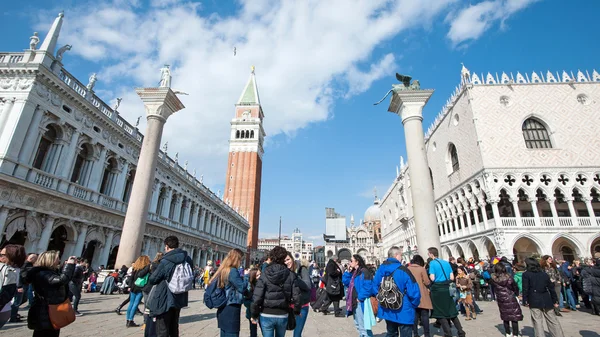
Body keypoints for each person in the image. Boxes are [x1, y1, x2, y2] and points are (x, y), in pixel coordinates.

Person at [148, 236, 193, 337]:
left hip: (164, 297)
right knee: (174, 326)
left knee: (162, 328)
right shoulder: (187, 259)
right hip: (179, 297)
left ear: (167, 246)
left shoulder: (166, 260)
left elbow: (153, 279)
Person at [251, 246, 301, 337]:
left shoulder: (265, 273)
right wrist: (297, 311)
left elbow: (257, 296)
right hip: (282, 313)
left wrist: (254, 314)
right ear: (283, 258)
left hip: (266, 313)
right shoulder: (290, 275)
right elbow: (297, 296)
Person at [25, 251, 76, 337]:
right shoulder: (42, 273)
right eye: (57, 258)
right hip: (45, 310)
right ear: (50, 260)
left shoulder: (48, 272)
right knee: (46, 333)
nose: (59, 260)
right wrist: (70, 265)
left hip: (50, 308)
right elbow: (61, 280)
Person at [373, 247, 420, 337]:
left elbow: (375, 286)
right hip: (403, 309)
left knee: (391, 333)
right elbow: (414, 292)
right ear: (396, 255)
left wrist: (384, 298)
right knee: (405, 334)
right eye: (400, 255)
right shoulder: (403, 270)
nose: (401, 257)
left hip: (387, 308)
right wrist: (413, 305)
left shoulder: (380, 269)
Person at [427, 247, 465, 337]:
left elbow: (432, 278)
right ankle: (461, 332)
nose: (428, 255)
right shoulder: (446, 263)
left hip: (438, 290)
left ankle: (448, 333)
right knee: (451, 310)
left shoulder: (432, 263)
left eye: (428, 253)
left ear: (431, 254)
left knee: (441, 313)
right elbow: (452, 277)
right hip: (447, 288)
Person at [522, 257, 564, 337]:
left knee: (537, 321)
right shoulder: (544, 274)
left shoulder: (526, 274)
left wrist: (525, 300)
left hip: (534, 298)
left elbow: (525, 288)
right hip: (546, 298)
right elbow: (551, 288)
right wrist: (555, 300)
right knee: (552, 320)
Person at [209, 248, 245, 337]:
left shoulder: (223, 269)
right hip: (231, 306)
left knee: (224, 332)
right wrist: (247, 277)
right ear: (237, 259)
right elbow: (242, 287)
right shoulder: (232, 271)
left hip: (223, 306)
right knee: (231, 333)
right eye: (241, 259)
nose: (241, 262)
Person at [342, 254, 374, 337]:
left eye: (351, 261)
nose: (350, 262)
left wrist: (360, 298)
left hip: (360, 302)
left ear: (357, 262)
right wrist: (348, 272)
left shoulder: (364, 272)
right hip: (354, 301)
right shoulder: (354, 272)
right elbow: (346, 282)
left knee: (363, 326)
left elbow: (368, 286)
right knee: (358, 325)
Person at [490, 263, 523, 337]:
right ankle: (515, 334)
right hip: (510, 297)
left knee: (505, 316)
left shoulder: (493, 279)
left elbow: (493, 288)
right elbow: (514, 286)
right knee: (514, 316)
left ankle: (508, 333)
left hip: (501, 298)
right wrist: (517, 294)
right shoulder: (508, 277)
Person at [0, 244, 26, 328]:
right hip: (6, 309)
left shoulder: (6, 270)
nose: (0, 256)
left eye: (2, 255)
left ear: (11, 256)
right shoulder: (17, 269)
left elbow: (4, 293)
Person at [285, 255, 311, 337]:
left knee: (297, 334)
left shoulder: (302, 269)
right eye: (284, 261)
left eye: (288, 259)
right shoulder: (283, 271)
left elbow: (308, 286)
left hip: (301, 306)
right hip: (287, 307)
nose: (287, 262)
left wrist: (294, 277)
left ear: (292, 259)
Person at [407, 255, 432, 337]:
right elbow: (427, 282)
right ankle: (427, 334)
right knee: (424, 315)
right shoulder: (422, 269)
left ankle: (415, 333)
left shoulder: (408, 269)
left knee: (414, 315)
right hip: (422, 295)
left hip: (411, 295)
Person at [125, 255, 151, 327]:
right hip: (140, 287)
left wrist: (129, 286)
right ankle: (131, 320)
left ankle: (128, 320)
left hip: (133, 287)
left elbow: (131, 278)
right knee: (135, 304)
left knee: (131, 304)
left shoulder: (135, 268)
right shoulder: (146, 268)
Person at [243, 268, 260, 337]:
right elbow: (245, 301)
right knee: (253, 330)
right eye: (257, 275)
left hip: (262, 311)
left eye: (260, 274)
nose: (260, 276)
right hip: (252, 312)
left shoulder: (262, 284)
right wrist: (253, 305)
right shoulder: (249, 286)